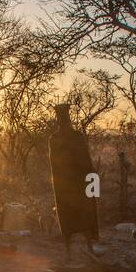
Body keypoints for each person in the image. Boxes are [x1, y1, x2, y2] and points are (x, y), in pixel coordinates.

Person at [47, 102, 99, 260]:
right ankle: (89, 248)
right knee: (86, 215)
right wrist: (93, 186)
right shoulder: (76, 137)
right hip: (80, 184)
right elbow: (87, 162)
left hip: (63, 187)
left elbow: (54, 168)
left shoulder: (53, 139)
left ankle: (70, 252)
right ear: (69, 120)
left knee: (67, 218)